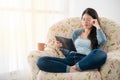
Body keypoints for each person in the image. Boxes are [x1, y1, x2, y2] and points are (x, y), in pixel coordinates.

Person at [36, 8, 107, 73]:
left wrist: (97, 26)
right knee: (41, 61)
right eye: (83, 19)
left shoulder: (98, 33)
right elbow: (70, 51)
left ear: (94, 20)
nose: (85, 22)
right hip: (70, 58)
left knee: (102, 54)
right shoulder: (76, 33)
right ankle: (70, 69)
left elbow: (103, 41)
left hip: (85, 59)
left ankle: (77, 67)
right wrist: (61, 48)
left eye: (88, 19)